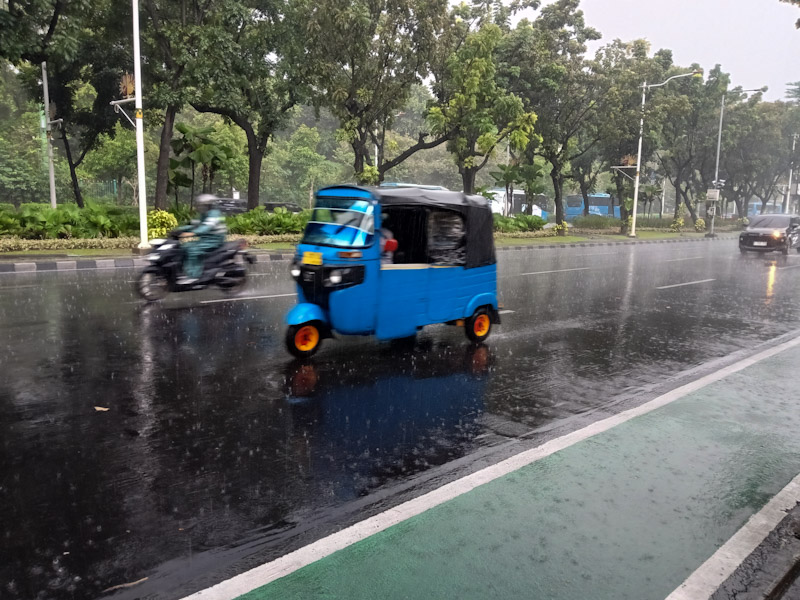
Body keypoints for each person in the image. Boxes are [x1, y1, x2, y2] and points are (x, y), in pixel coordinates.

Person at [177, 194, 227, 283]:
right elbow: (195, 224)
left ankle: (193, 276)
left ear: (208, 205)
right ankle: (184, 272)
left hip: (214, 240)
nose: (200, 207)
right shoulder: (204, 214)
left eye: (202, 205)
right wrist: (178, 230)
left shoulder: (214, 214)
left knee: (193, 250)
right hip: (205, 239)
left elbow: (206, 227)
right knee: (184, 247)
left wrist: (192, 233)